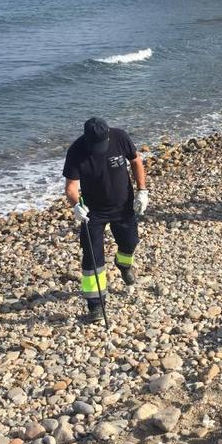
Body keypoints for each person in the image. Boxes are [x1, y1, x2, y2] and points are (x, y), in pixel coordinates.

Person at [62, 117, 148, 323]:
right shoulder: (76, 150)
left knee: (130, 243)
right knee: (92, 260)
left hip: (123, 206)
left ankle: (123, 264)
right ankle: (96, 305)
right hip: (93, 213)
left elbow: (135, 160)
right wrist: (76, 206)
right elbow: (71, 187)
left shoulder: (120, 137)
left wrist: (142, 190)